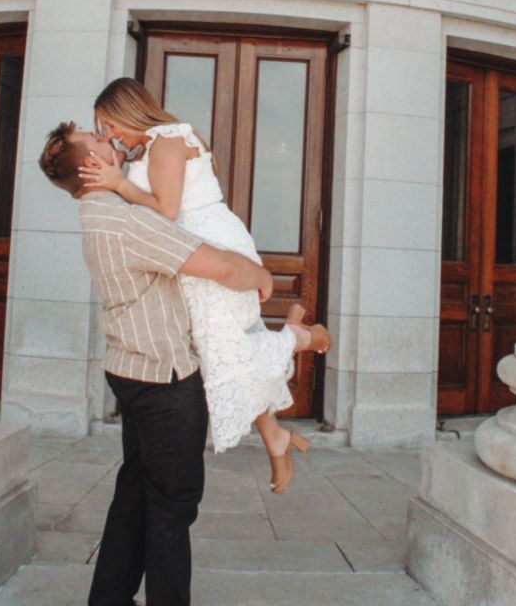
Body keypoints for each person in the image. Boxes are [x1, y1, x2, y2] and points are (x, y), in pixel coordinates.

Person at [39, 122, 276, 606]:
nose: (111, 141)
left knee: (135, 495)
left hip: (131, 370)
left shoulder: (97, 215)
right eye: (99, 140)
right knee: (173, 505)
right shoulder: (127, 222)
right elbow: (223, 267)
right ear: (92, 164)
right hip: (164, 381)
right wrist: (261, 274)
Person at [78, 78, 331, 495]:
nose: (111, 135)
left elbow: (167, 211)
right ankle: (275, 436)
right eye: (102, 130)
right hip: (187, 252)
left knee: (226, 348)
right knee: (220, 352)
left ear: (129, 112)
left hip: (210, 248)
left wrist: (119, 184)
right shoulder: (151, 146)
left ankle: (302, 337)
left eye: (110, 125)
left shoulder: (167, 141)